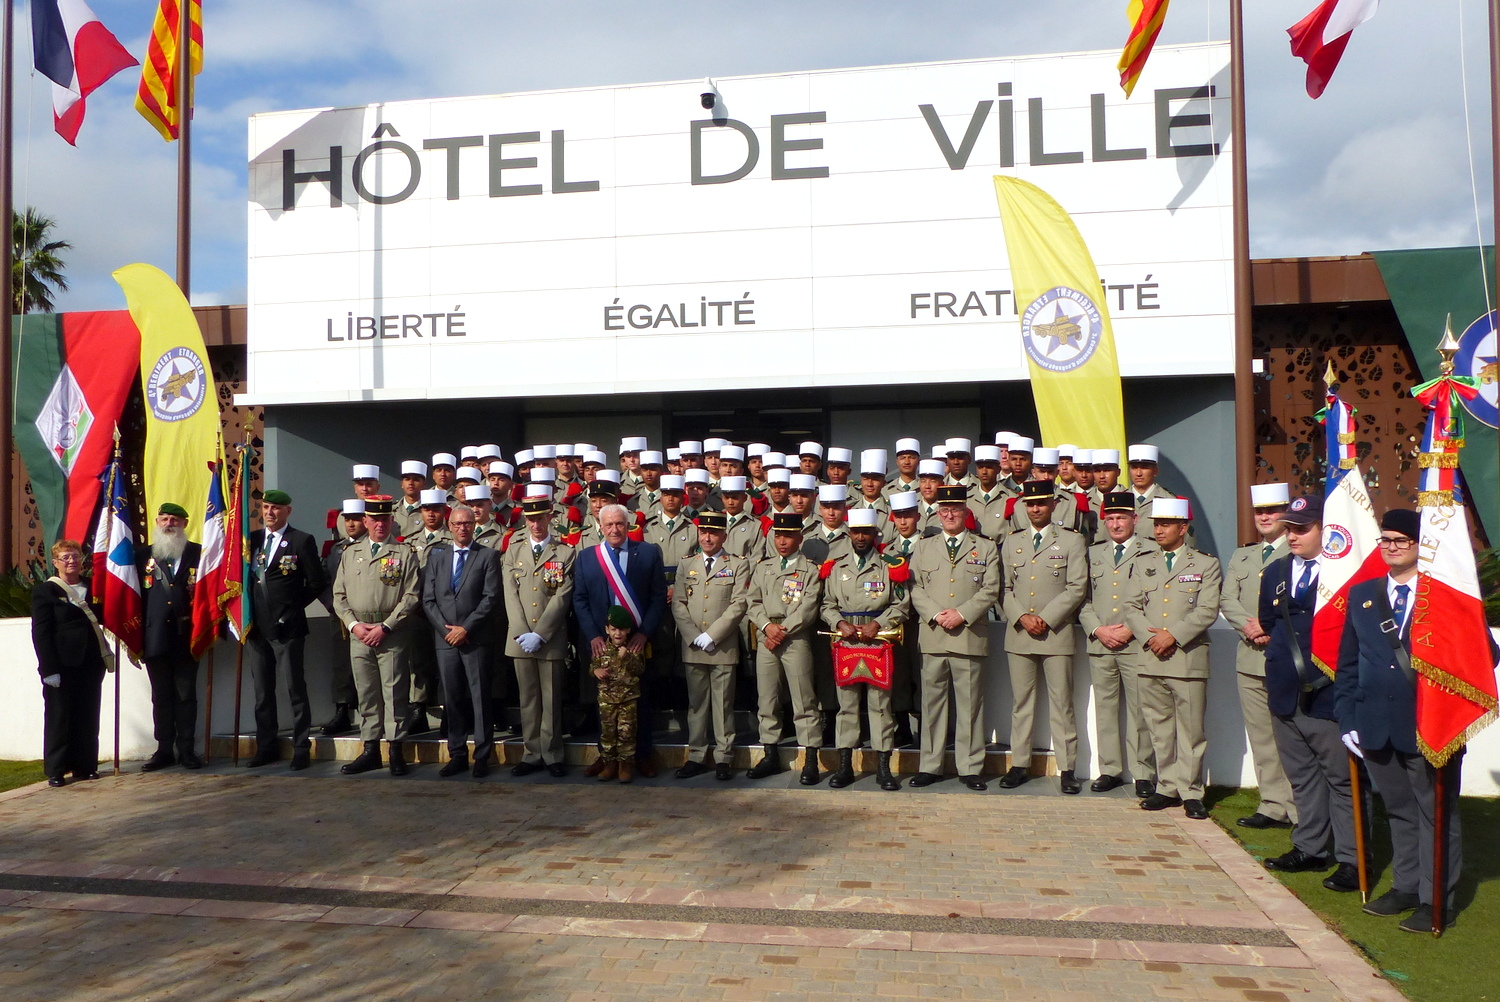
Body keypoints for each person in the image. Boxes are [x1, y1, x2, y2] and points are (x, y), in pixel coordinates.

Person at [1337, 508, 1475, 933]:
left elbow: (1483, 654)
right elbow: (1346, 665)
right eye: (1386, 540)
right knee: (1398, 809)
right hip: (1375, 723)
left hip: (1429, 724)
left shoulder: (1445, 596)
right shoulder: (1362, 594)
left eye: (1401, 541)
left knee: (1436, 815)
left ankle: (1436, 900)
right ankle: (1406, 887)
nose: (1391, 548)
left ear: (1420, 545)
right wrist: (1348, 720)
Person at [1259, 495, 1361, 893]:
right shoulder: (1276, 571)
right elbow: (1271, 621)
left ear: (1326, 528)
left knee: (1343, 780)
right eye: (1289, 528)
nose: (1292, 536)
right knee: (1301, 776)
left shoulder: (1345, 573)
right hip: (1286, 688)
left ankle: (1352, 859)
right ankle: (1310, 847)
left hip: (1329, 692)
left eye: (1302, 528)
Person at [1125, 497, 1220, 819]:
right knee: (1159, 728)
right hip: (1151, 656)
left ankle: (1191, 791)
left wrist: (1173, 635)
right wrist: (1150, 637)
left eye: (1166, 524)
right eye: (1156, 523)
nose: (1159, 529)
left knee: (1191, 730)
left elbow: (1207, 610)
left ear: (1183, 528)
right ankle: (1166, 786)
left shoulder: (1205, 564)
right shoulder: (1142, 562)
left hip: (1187, 658)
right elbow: (1131, 606)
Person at [907, 484, 1002, 790]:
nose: (949, 515)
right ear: (937, 512)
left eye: (956, 510)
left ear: (966, 512)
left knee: (970, 705)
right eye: (944, 510)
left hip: (968, 635)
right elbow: (914, 587)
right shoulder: (923, 547)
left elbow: (991, 589)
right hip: (934, 635)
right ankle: (931, 765)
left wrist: (962, 613)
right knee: (932, 705)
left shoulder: (985, 547)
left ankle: (970, 766)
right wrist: (936, 613)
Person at [998, 481, 1088, 794]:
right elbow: (1004, 588)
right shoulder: (1013, 542)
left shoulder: (1072, 541)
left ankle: (1067, 769)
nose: (1035, 509)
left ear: (1052, 505)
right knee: (1021, 703)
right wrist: (1022, 616)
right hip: (1020, 632)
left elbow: (1077, 587)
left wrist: (1046, 618)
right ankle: (1020, 764)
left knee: (1062, 703)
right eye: (1030, 503)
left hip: (1056, 632)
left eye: (1041, 503)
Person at [573, 502, 669, 779]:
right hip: (601, 644)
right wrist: (593, 635)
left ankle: (642, 756)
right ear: (600, 527)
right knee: (602, 704)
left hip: (637, 642)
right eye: (609, 525)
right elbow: (579, 599)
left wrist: (643, 632)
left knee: (640, 701)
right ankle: (607, 757)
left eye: (619, 524)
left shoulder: (648, 553)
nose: (614, 529)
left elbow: (657, 596)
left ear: (628, 526)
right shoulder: (588, 557)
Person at [818, 507, 912, 791]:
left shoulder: (889, 565)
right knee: (846, 707)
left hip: (877, 641)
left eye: (866, 532)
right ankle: (845, 767)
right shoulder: (837, 566)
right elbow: (826, 604)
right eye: (856, 532)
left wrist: (879, 623)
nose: (861, 537)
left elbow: (902, 604)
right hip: (846, 642)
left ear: (874, 534)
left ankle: (884, 768)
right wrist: (839, 622)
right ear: (849, 534)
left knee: (880, 706)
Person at [1221, 483, 1297, 830]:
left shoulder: (1299, 552)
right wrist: (1250, 628)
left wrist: (1268, 628)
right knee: (1262, 736)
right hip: (1250, 655)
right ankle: (1271, 804)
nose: (1264, 517)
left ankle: (1299, 809)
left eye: (1272, 510)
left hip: (1285, 654)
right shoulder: (1243, 556)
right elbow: (1227, 600)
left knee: (1291, 737)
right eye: (1259, 511)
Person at [333, 495, 423, 776]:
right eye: (374, 519)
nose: (380, 525)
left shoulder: (404, 553)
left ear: (391, 520)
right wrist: (353, 625)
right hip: (360, 632)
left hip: (391, 632)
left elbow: (411, 596)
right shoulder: (350, 553)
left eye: (385, 519)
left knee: (394, 691)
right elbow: (339, 596)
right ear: (365, 521)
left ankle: (396, 750)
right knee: (367, 692)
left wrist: (386, 626)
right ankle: (370, 749)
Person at [1078, 491, 1158, 796]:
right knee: (1105, 708)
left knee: (1140, 710)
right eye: (1110, 518)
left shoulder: (1149, 551)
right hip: (1101, 643)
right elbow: (1083, 599)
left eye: (1121, 517)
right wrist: (1097, 629)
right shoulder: (1093, 553)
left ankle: (1142, 773)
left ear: (1134, 520)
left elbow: (1153, 599)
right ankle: (1109, 769)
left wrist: (1130, 629)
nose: (1115, 524)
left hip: (1135, 642)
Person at [247, 489, 327, 769]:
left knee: (295, 688)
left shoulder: (301, 540)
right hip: (257, 629)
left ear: (287, 512)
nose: (270, 512)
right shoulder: (252, 540)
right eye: (266, 507)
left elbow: (316, 582)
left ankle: (301, 747)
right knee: (262, 693)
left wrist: (293, 608)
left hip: (288, 628)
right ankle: (265, 746)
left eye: (276, 508)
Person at [422, 504, 503, 778]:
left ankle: (482, 756)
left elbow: (490, 597)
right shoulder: (437, 556)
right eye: (457, 524)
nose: (462, 528)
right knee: (453, 699)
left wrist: (465, 628)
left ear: (474, 525)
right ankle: (457, 754)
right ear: (450, 526)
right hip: (445, 640)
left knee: (480, 699)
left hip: (475, 638)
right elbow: (428, 599)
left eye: (467, 523)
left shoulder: (488, 556)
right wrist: (447, 630)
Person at [745, 511, 826, 783]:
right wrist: (767, 627)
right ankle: (770, 754)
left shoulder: (810, 569)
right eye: (778, 535)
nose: (782, 541)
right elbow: (752, 602)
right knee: (766, 698)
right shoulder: (763, 567)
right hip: (767, 636)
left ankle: (811, 757)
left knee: (804, 699)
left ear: (799, 538)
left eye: (788, 535)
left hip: (794, 637)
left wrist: (782, 631)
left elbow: (809, 607)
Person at [502, 489, 577, 777]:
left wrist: (541, 633)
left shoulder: (565, 552)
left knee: (552, 698)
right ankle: (532, 753)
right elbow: (510, 593)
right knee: (528, 699)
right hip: (520, 638)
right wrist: (522, 631)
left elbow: (563, 596)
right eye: (531, 519)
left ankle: (553, 753)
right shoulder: (514, 550)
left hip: (551, 637)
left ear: (550, 517)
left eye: (541, 518)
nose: (536, 524)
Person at [673, 511, 750, 780]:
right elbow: (678, 603)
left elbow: (739, 604)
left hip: (722, 646)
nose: (707, 537)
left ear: (724, 536)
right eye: (703, 532)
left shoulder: (738, 564)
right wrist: (694, 634)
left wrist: (713, 635)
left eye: (713, 532)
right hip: (693, 646)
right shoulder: (687, 564)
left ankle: (723, 757)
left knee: (723, 704)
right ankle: (696, 755)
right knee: (697, 705)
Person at [31, 540, 111, 787]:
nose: (71, 561)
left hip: (90, 661)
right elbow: (41, 632)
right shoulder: (46, 591)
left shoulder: (93, 587)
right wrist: (48, 669)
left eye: (75, 556)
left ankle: (85, 766)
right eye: (65, 557)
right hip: (62, 665)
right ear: (55, 563)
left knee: (87, 714)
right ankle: (56, 770)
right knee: (59, 716)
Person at [136, 502, 204, 771]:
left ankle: (187, 750)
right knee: (161, 697)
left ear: (184, 524)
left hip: (188, 636)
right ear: (157, 521)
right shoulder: (142, 556)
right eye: (164, 519)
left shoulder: (199, 554)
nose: (168, 524)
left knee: (186, 696)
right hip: (154, 638)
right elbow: (134, 598)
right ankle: (163, 750)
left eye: (174, 520)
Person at [319, 499, 366, 736]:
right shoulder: (335, 550)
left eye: (356, 519)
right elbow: (322, 580)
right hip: (340, 615)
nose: (351, 524)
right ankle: (342, 708)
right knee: (341, 663)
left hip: (368, 615)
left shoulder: (372, 546)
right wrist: (332, 605)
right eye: (347, 519)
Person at [591, 606, 647, 782]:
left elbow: (639, 669)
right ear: (607, 629)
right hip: (607, 700)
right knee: (608, 734)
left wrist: (628, 657)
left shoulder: (634, 649)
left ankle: (625, 766)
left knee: (626, 733)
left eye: (621, 629)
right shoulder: (601, 649)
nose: (617, 634)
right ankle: (610, 764)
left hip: (627, 700)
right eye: (613, 629)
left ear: (628, 630)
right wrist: (596, 671)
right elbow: (592, 666)